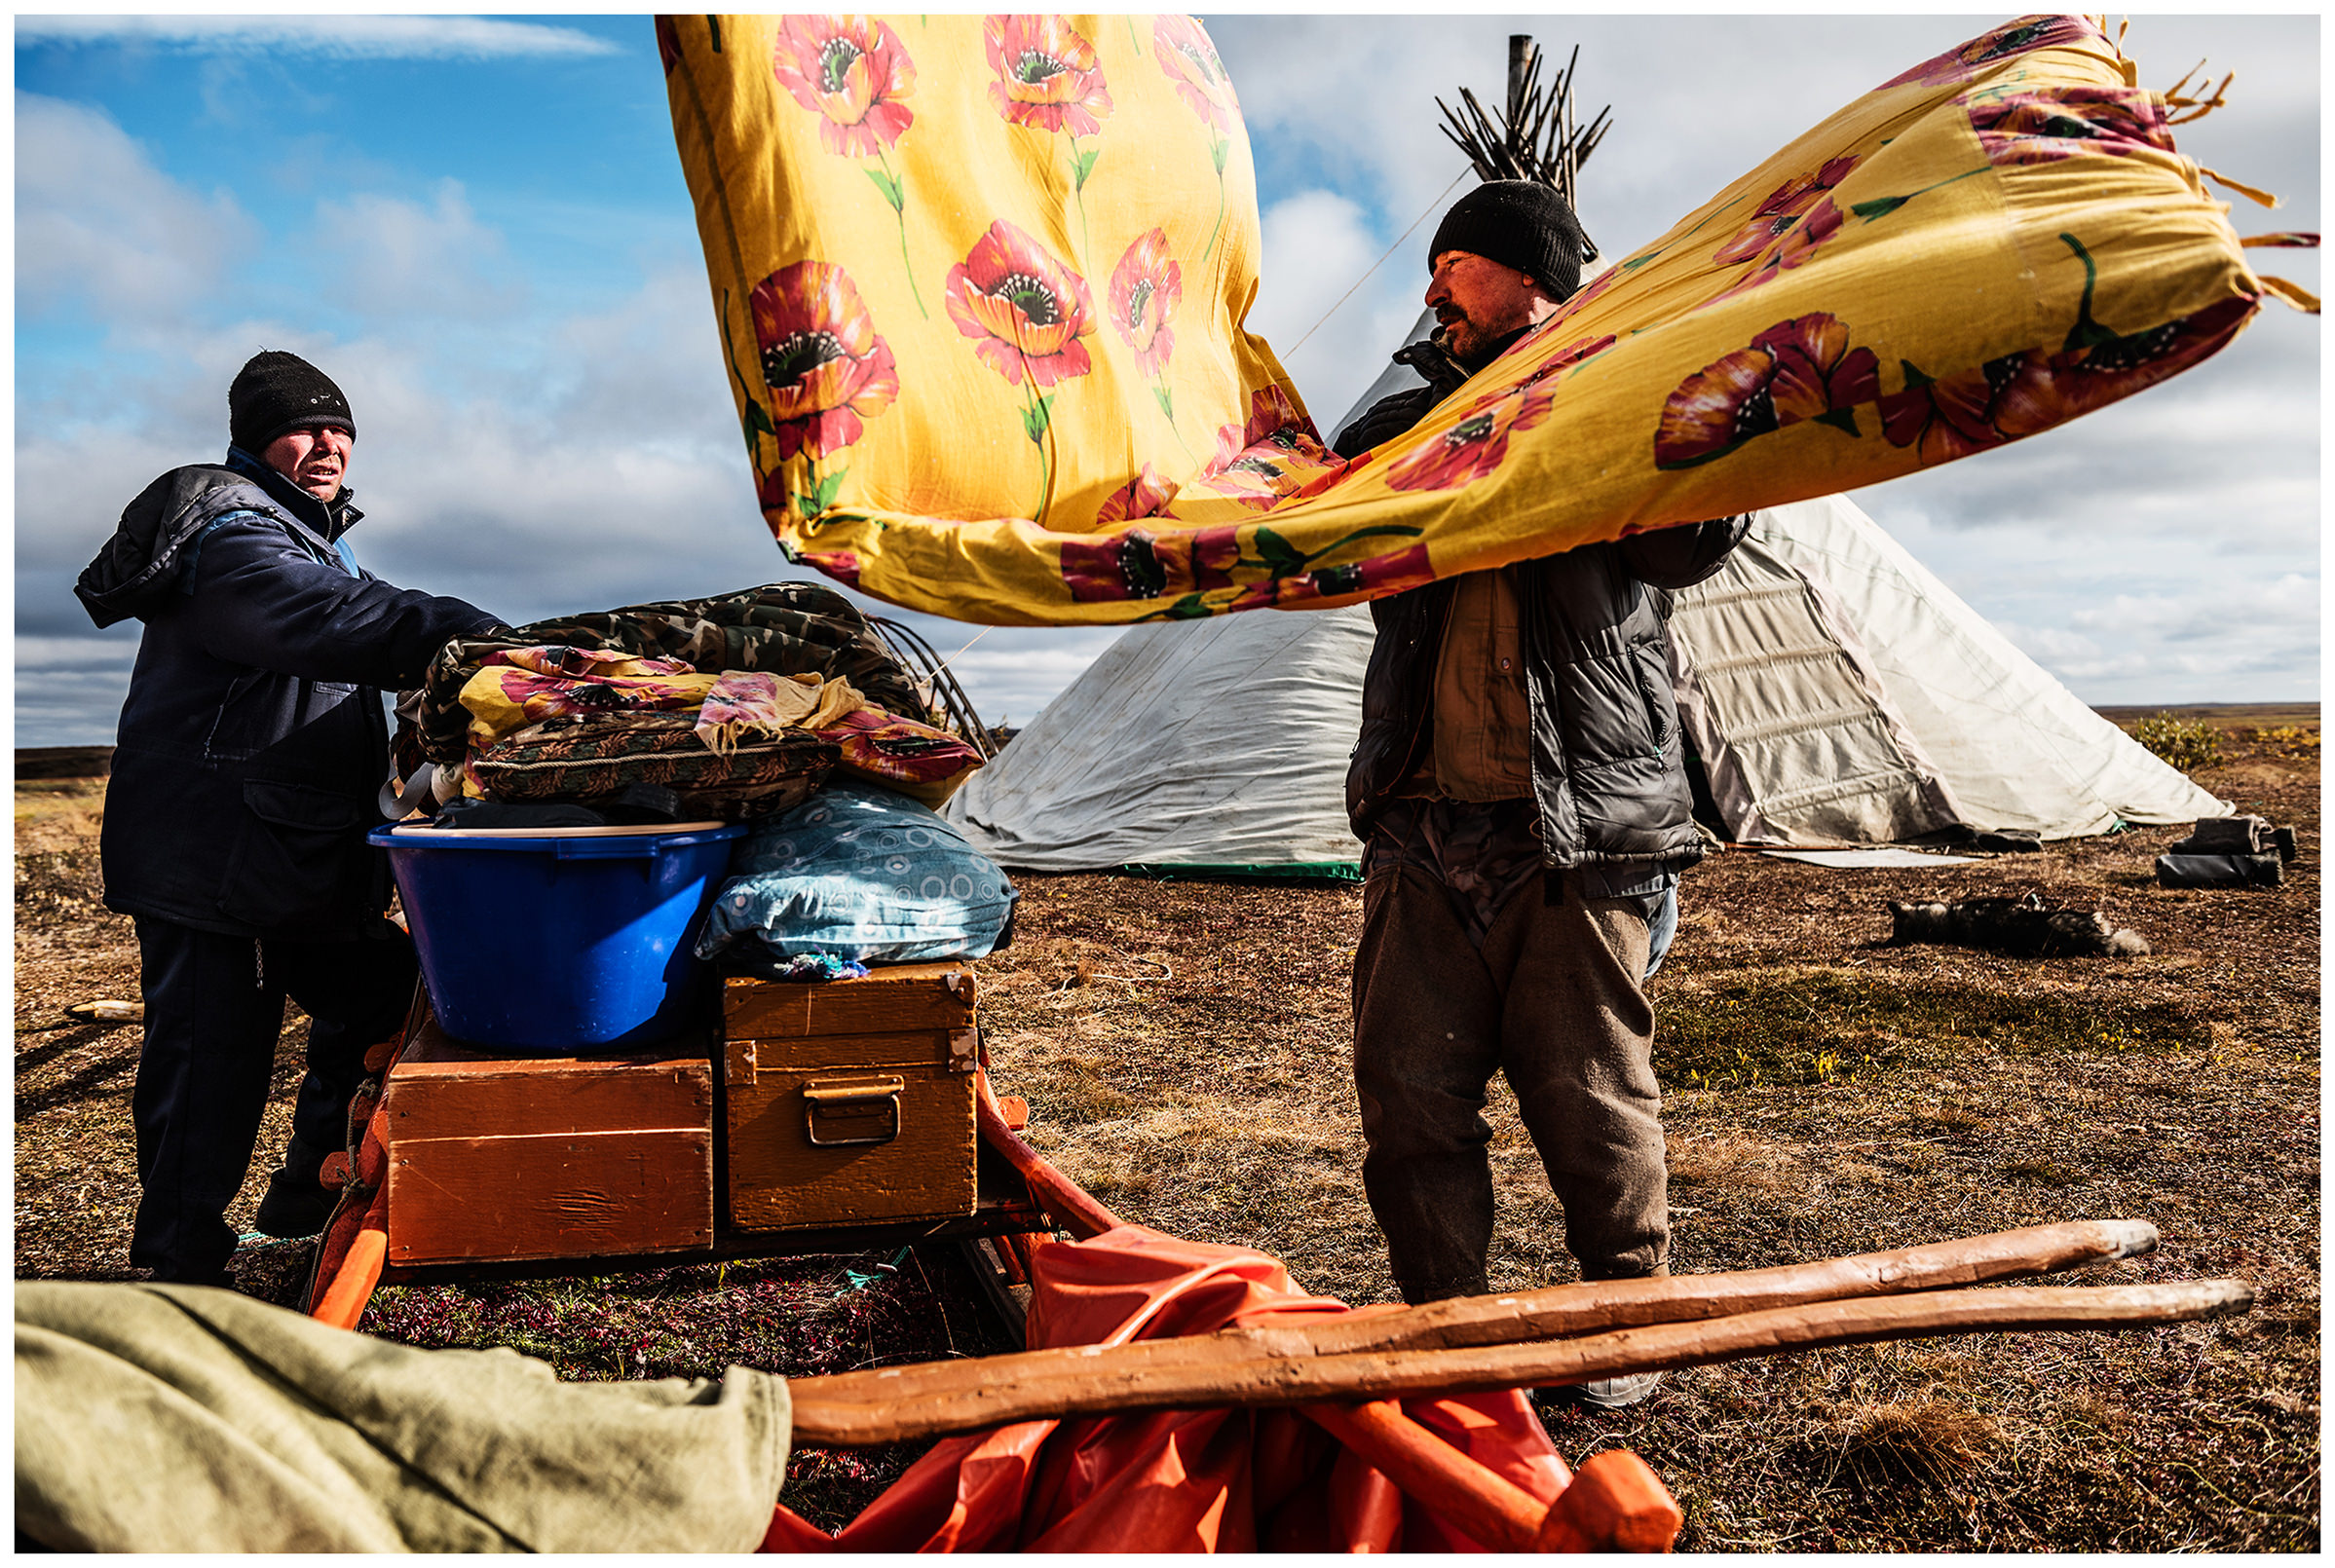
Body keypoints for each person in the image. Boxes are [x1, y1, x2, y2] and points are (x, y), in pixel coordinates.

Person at [1333, 181, 1749, 1407]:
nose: (1430, 290)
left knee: (1592, 1097)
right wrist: (1467, 398)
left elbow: (1694, 537)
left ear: (1523, 276)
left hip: (1577, 828)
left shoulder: (1625, 400)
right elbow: (1347, 503)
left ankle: (1619, 1326)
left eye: (1453, 267)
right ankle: (1451, 1331)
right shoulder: (1415, 417)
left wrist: (1574, 403)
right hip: (1422, 820)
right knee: (1408, 1099)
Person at [76, 350, 504, 1286]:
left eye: (341, 428)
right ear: (253, 440)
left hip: (289, 853)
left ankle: (305, 1203)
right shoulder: (229, 536)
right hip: (220, 862)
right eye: (304, 427)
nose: (328, 445)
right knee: (209, 1065)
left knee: (381, 998)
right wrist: (485, 639)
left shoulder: (308, 539)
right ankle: (176, 1272)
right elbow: (334, 621)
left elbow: (346, 619)